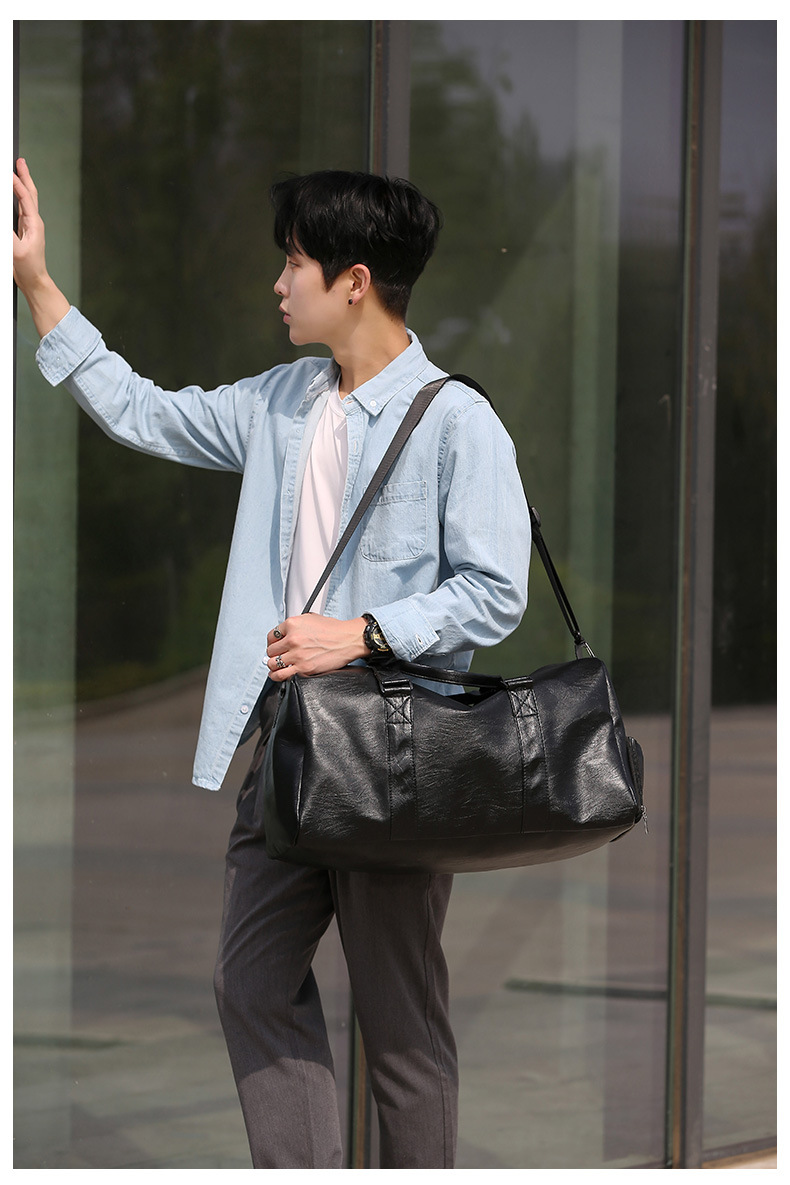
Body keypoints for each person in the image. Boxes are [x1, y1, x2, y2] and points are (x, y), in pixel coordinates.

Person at [13, 159, 531, 1168]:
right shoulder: (282, 401)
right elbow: (146, 411)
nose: (278, 283)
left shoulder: (457, 422)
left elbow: (495, 589)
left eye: (294, 262)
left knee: (400, 1024)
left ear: (355, 281)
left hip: (392, 760)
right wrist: (36, 282)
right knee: (249, 981)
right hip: (287, 750)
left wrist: (360, 631)